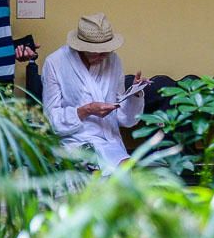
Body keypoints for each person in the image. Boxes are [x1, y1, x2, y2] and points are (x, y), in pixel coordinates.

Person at [41, 12, 146, 174]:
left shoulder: (114, 61)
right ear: (81, 47)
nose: (104, 56)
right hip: (72, 141)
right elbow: (51, 120)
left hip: (108, 141)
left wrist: (135, 95)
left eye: (107, 50)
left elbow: (126, 119)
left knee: (131, 175)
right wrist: (86, 110)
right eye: (98, 51)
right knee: (90, 179)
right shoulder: (55, 63)